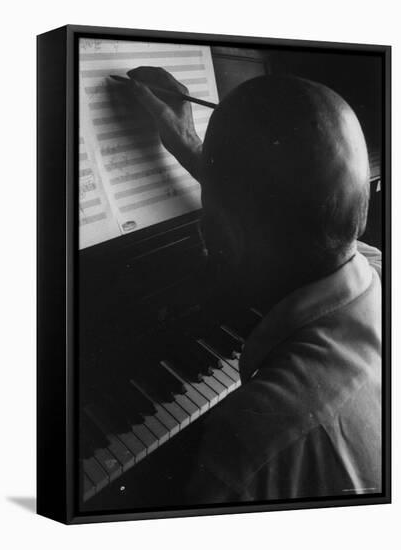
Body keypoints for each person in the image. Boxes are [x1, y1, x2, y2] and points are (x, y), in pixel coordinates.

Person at [118, 68, 382, 503]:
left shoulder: (251, 450)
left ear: (217, 235)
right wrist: (196, 151)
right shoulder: (373, 263)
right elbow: (305, 201)